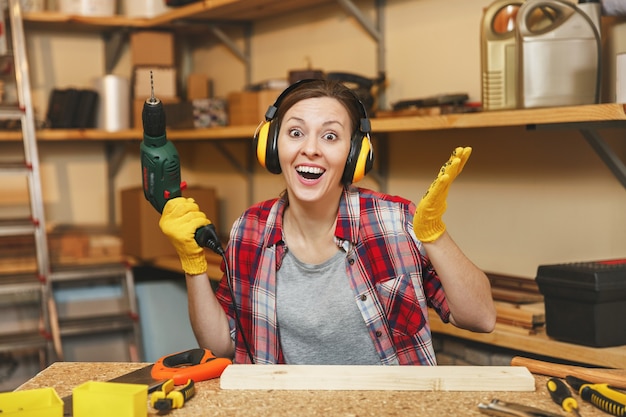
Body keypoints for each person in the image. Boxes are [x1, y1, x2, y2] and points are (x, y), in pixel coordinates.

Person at [159, 79, 496, 365]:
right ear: (272, 145)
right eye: (295, 132)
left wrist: (435, 236)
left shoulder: (395, 221)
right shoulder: (250, 229)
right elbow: (220, 345)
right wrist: (193, 264)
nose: (311, 149)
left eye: (330, 136)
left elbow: (480, 318)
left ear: (355, 155)